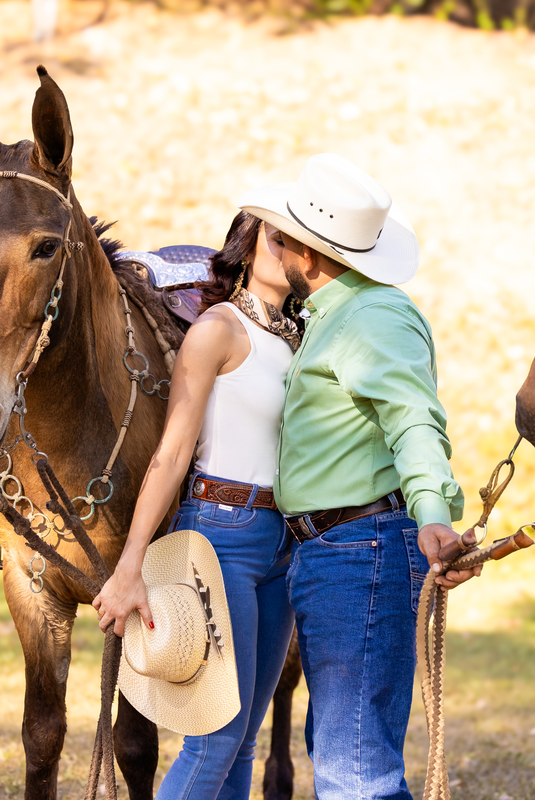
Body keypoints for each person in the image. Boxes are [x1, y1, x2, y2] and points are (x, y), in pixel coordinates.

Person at [237, 153, 480, 800]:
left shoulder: (372, 318)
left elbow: (414, 420)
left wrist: (434, 515)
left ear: (309, 253)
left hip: (359, 552)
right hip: (339, 551)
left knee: (355, 773)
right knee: (343, 754)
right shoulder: (334, 318)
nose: (275, 247)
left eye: (283, 237)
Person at [93, 210, 302, 799]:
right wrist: (132, 563)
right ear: (246, 246)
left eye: (300, 242)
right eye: (276, 238)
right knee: (213, 740)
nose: (289, 250)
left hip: (283, 541)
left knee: (244, 740)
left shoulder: (301, 338)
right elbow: (172, 453)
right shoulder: (218, 329)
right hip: (222, 533)